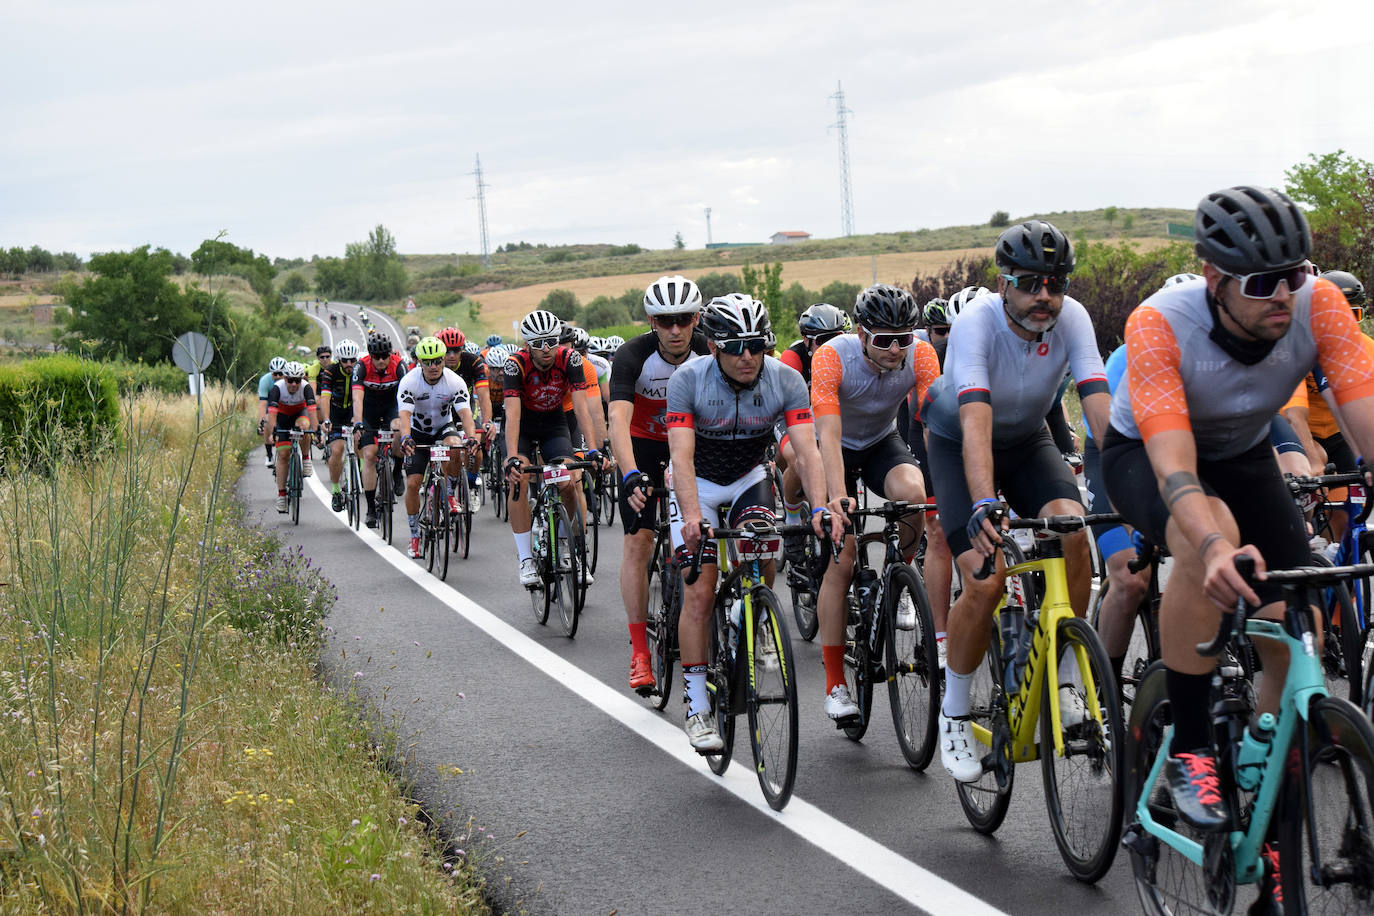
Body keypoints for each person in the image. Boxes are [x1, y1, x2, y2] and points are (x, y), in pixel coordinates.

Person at [1102, 188, 1374, 864]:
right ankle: (1190, 748)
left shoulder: (1320, 307)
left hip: (1244, 449)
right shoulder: (1160, 322)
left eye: (1297, 274)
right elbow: (1174, 466)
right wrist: (1215, 546)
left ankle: (1260, 755)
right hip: (1149, 456)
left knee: (1296, 621)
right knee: (1208, 534)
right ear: (1214, 280)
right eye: (1263, 283)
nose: (1285, 295)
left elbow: (1367, 423)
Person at [923, 219, 1111, 783]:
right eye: (1031, 283)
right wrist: (984, 502)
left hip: (1028, 440)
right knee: (984, 575)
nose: (1045, 296)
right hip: (959, 442)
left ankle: (1066, 679)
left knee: (1072, 530)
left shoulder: (1072, 318)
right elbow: (975, 419)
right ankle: (954, 711)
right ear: (1004, 283)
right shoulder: (975, 324)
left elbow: (1098, 408)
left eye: (1055, 283)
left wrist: (1136, 481)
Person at [665, 294, 837, 751]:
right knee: (699, 587)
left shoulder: (786, 378)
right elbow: (680, 458)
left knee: (763, 547)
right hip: (696, 481)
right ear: (714, 346)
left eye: (757, 344)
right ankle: (698, 705)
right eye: (736, 346)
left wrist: (819, 508)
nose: (748, 356)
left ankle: (756, 613)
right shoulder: (687, 380)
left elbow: (806, 451)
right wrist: (693, 517)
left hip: (747, 476)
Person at [812, 285, 942, 720]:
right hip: (837, 448)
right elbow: (827, 436)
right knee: (843, 559)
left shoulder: (921, 354)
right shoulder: (832, 356)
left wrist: (943, 487)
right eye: (884, 338)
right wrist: (836, 498)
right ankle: (835, 684)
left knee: (915, 492)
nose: (895, 348)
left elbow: (935, 425)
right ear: (861, 333)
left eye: (904, 337)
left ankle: (900, 575)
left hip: (881, 441)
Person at [609, 275, 710, 691]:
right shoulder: (633, 355)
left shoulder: (710, 348)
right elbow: (617, 419)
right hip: (645, 447)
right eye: (665, 321)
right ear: (651, 320)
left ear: (696, 319)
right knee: (638, 542)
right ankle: (639, 651)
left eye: (684, 319)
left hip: (694, 445)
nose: (674, 329)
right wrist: (630, 471)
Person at [503, 310, 603, 587]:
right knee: (518, 478)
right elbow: (512, 415)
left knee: (568, 481)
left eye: (550, 341)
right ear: (527, 346)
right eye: (537, 343)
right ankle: (525, 559)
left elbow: (582, 410)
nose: (545, 349)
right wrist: (512, 457)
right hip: (522, 424)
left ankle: (565, 546)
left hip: (554, 423)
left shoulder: (570, 359)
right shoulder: (516, 365)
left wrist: (593, 450)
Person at [397, 337, 478, 559]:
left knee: (455, 446)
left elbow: (465, 414)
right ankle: (414, 535)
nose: (433, 366)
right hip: (418, 432)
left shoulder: (454, 382)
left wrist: (471, 437)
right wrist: (405, 437)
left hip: (444, 427)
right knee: (413, 483)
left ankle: (450, 492)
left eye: (438, 361)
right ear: (419, 362)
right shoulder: (409, 382)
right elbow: (404, 415)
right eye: (428, 361)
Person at [351, 331, 406, 528]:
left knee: (400, 429)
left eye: (385, 356)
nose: (381, 360)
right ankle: (371, 509)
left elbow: (407, 396)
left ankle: (398, 470)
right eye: (377, 356)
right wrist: (358, 422)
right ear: (370, 355)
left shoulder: (399, 365)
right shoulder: (361, 366)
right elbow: (357, 398)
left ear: (391, 354)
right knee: (369, 455)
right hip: (369, 411)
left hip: (392, 407)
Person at [264, 361, 319, 512]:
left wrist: (316, 430)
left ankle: (306, 459)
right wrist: (272, 432)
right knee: (282, 455)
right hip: (282, 418)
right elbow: (272, 415)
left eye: (297, 380)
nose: (294, 384)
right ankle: (281, 495)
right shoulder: (277, 388)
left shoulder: (306, 387)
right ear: (284, 378)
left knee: (304, 427)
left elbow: (312, 410)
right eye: (290, 380)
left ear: (302, 380)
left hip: (299, 414)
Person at [317, 339, 361, 511]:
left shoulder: (360, 370)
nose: (349, 364)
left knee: (360, 443)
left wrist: (358, 418)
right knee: (337, 450)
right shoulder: (330, 371)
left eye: (352, 360)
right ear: (339, 360)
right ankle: (336, 491)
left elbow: (362, 398)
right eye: (345, 360)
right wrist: (326, 419)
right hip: (335, 412)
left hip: (353, 411)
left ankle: (362, 471)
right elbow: (325, 397)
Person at [257, 356, 287, 468]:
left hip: (286, 404)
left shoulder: (290, 380)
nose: (278, 376)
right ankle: (269, 454)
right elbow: (263, 404)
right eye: (275, 374)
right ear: (271, 373)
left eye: (281, 373)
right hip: (271, 405)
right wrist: (260, 422)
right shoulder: (265, 381)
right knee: (266, 423)